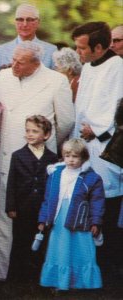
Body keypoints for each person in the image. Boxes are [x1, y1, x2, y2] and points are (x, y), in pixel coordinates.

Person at [0, 40, 74, 281]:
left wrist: (46, 145)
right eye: (14, 59)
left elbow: (66, 122)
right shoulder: (5, 76)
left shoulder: (56, 81)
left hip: (34, 160)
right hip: (2, 156)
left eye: (21, 62)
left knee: (28, 214)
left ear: (36, 63)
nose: (14, 65)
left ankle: (25, 271)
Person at [71, 21, 123, 277]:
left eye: (82, 48)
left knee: (107, 199)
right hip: (84, 143)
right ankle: (86, 258)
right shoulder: (88, 68)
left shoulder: (118, 67)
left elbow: (118, 108)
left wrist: (100, 131)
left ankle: (108, 261)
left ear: (100, 47)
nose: (78, 52)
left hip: (107, 146)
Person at [38, 138, 105, 290]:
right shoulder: (56, 174)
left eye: (75, 156)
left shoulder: (92, 177)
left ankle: (81, 282)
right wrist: (43, 219)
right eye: (67, 156)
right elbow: (47, 199)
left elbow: (97, 202)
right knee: (60, 249)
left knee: (80, 250)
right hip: (59, 219)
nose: (71, 160)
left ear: (83, 158)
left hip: (80, 220)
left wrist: (95, 222)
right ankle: (59, 282)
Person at [6, 115, 58, 281]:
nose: (30, 134)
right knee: (21, 239)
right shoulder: (18, 155)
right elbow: (11, 182)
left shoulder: (52, 157)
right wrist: (11, 207)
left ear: (46, 135)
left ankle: (37, 275)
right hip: (22, 206)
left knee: (40, 239)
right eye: (27, 130)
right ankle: (17, 276)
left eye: (35, 131)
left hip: (42, 207)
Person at [0, 3, 57, 83]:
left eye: (29, 20)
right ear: (15, 22)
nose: (25, 24)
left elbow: (55, 83)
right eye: (20, 19)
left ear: (37, 23)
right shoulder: (0, 51)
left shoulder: (51, 51)